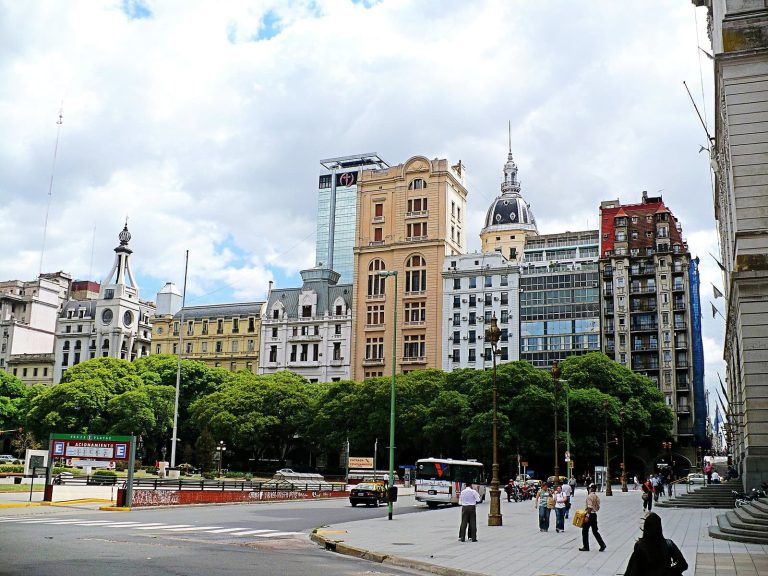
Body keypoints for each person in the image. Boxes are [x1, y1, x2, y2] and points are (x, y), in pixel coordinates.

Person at [624, 512, 688, 575]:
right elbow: (683, 565)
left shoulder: (640, 546)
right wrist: (669, 572)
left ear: (646, 528)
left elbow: (632, 571)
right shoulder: (668, 544)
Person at [580, 484, 606, 552]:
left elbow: (589, 507)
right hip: (594, 515)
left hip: (589, 514)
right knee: (595, 531)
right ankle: (602, 544)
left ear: (590, 489)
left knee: (585, 531)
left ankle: (586, 546)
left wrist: (587, 516)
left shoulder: (589, 496)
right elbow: (598, 506)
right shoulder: (596, 496)